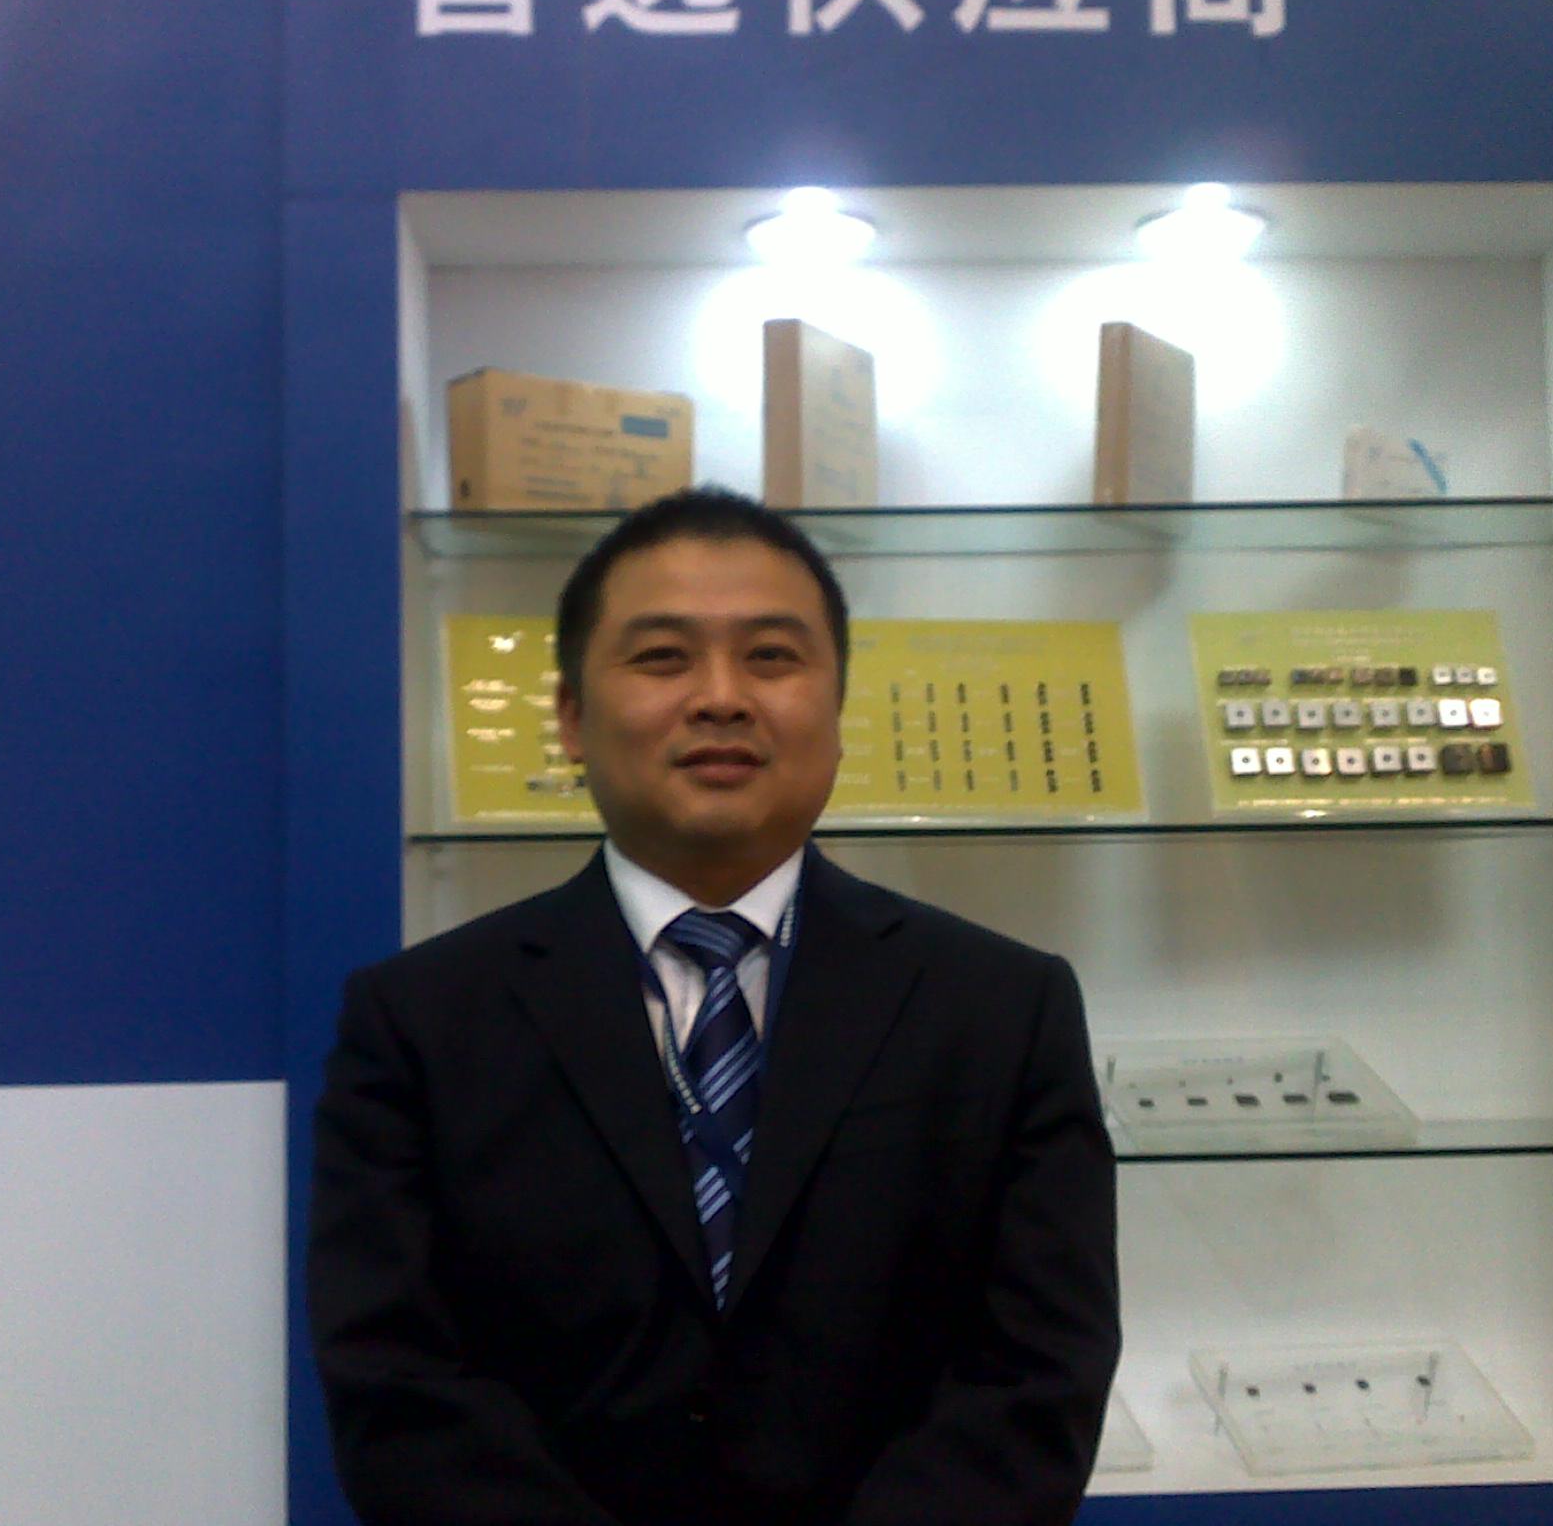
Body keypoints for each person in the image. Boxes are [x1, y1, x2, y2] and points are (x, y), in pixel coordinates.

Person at [307, 486, 1119, 1526]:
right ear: (570, 717)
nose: (721, 697)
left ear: (837, 709)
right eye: (662, 658)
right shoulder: (418, 1021)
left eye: (771, 657)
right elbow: (397, 1385)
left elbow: (1037, 1373)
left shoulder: (1002, 1009)